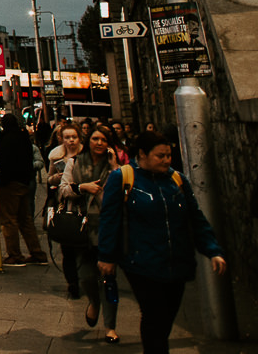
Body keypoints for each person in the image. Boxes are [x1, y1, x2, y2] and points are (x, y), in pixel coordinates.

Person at [98, 130, 226, 354]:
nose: (167, 160)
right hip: (141, 263)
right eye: (160, 156)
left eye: (168, 155)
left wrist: (213, 250)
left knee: (165, 317)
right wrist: (106, 256)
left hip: (176, 261)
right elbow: (110, 220)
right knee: (154, 315)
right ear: (143, 154)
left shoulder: (177, 180)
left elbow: (195, 218)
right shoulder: (123, 178)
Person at [61, 125, 121, 342]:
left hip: (108, 229)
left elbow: (124, 192)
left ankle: (110, 327)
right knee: (86, 277)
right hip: (84, 230)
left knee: (109, 279)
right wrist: (82, 188)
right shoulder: (75, 163)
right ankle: (94, 302)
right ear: (89, 141)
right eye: (95, 138)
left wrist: (115, 166)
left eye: (104, 140)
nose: (99, 143)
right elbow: (63, 190)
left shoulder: (116, 169)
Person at [0, 113, 48, 266]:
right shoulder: (24, 137)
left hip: (9, 184)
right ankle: (37, 253)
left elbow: (4, 161)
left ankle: (15, 255)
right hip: (25, 182)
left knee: (9, 219)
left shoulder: (6, 139)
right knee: (25, 220)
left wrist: (1, 180)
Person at [47, 123, 85, 297]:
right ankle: (73, 284)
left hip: (87, 207)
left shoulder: (87, 155)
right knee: (68, 248)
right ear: (61, 139)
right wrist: (58, 177)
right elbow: (50, 180)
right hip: (66, 205)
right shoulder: (56, 156)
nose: (71, 140)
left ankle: (88, 279)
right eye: (67, 137)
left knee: (86, 247)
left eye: (74, 137)